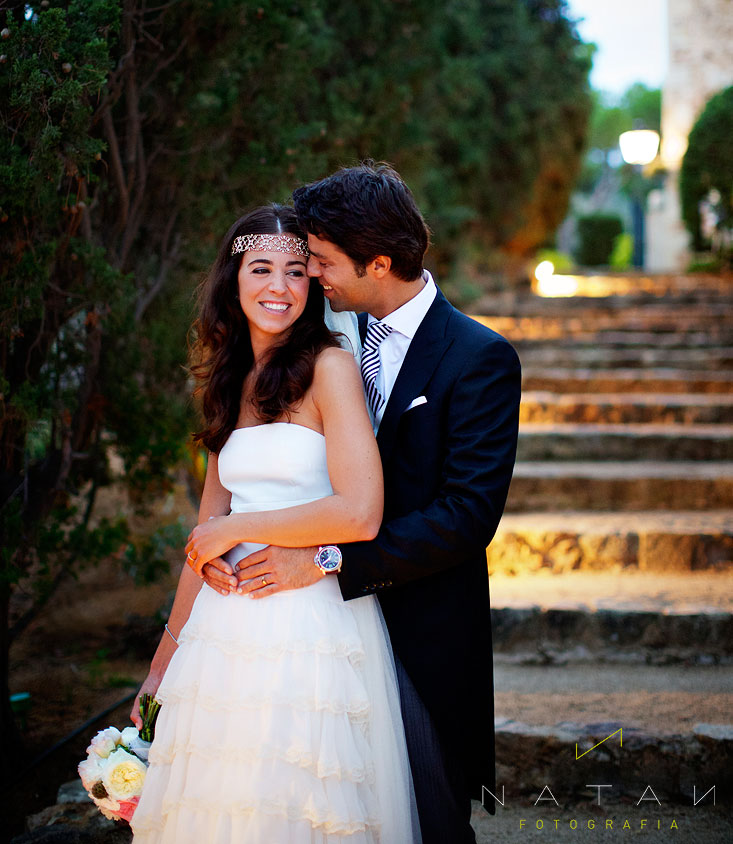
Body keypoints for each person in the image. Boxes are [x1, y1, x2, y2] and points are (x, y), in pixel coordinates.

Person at [203, 164, 521, 844]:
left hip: (418, 628)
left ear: (377, 263)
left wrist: (326, 558)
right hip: (305, 634)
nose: (309, 275)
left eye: (320, 262)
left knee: (423, 815)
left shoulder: (477, 358)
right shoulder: (324, 344)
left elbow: (465, 517)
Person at [130, 203, 420, 844]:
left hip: (309, 618)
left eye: (296, 272)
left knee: (296, 797)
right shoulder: (227, 380)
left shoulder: (330, 368)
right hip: (223, 631)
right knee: (220, 802)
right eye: (261, 269)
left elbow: (361, 511)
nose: (279, 288)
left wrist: (240, 528)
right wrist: (161, 664)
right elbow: (203, 538)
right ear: (233, 281)